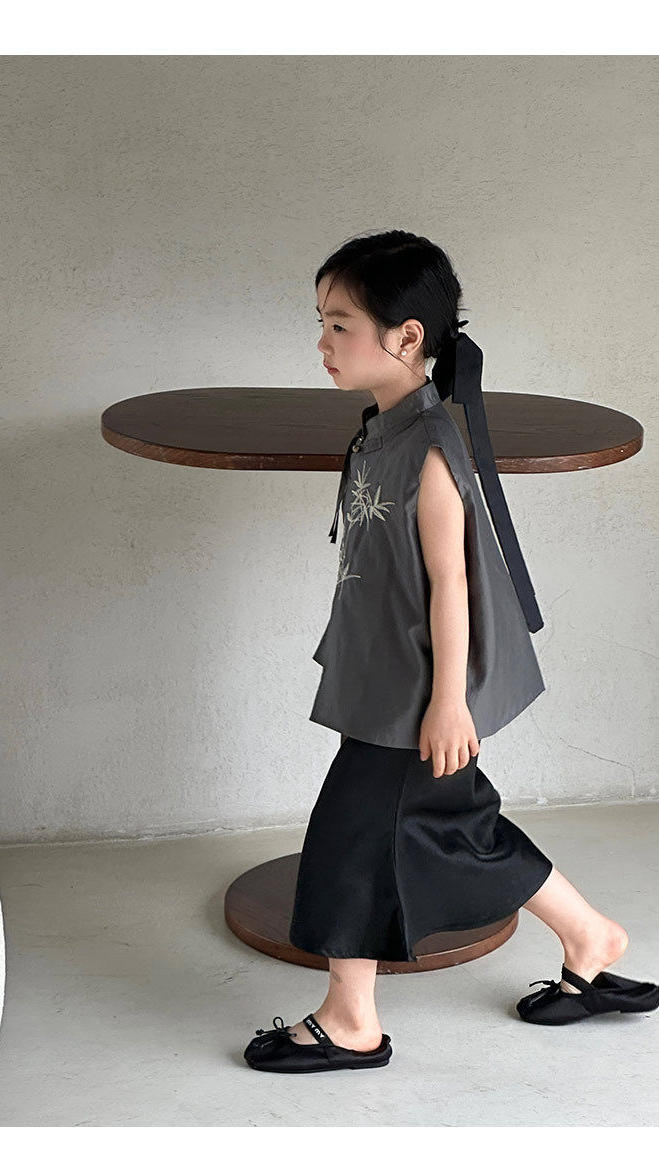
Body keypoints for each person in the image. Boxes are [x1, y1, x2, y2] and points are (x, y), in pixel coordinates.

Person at [243, 231, 658, 1074]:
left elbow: (452, 585)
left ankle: (351, 1019)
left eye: (339, 325)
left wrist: (447, 703)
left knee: (348, 842)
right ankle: (591, 938)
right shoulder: (385, 431)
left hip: (419, 694)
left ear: (406, 337)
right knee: (460, 828)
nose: (322, 344)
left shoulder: (431, 450)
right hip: (396, 679)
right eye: (321, 323)